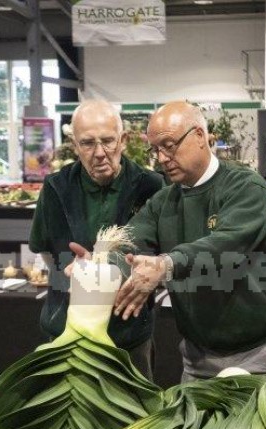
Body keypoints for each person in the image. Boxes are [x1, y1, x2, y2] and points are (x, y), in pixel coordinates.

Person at [72, 101, 266, 394]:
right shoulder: (163, 203)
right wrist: (99, 266)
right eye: (156, 150)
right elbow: (129, 241)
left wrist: (166, 264)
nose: (162, 158)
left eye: (169, 145)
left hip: (260, 358)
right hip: (197, 361)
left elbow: (226, 246)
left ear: (200, 136)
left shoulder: (246, 187)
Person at [28, 99, 164, 378]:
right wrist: (70, 276)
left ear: (123, 140)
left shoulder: (151, 186)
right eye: (88, 143)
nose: (99, 153)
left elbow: (162, 253)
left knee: (134, 413)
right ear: (75, 145)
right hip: (67, 329)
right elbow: (44, 249)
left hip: (127, 330)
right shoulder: (56, 187)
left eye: (108, 141)